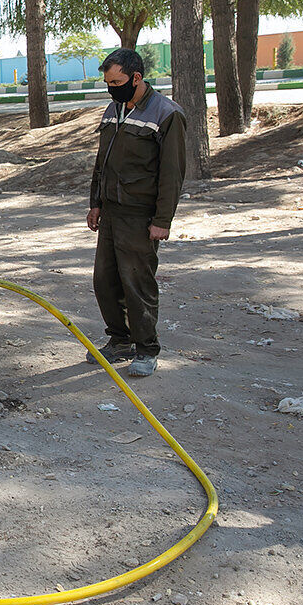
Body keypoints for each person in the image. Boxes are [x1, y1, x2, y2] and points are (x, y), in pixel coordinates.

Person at [87, 48, 187, 377]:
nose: (111, 88)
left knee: (136, 283)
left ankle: (146, 348)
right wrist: (96, 203)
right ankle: (119, 340)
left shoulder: (166, 114)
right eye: (107, 82)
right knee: (104, 281)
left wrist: (162, 221)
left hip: (140, 216)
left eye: (116, 81)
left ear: (136, 78)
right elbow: (103, 162)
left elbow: (172, 174)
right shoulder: (113, 109)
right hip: (112, 213)